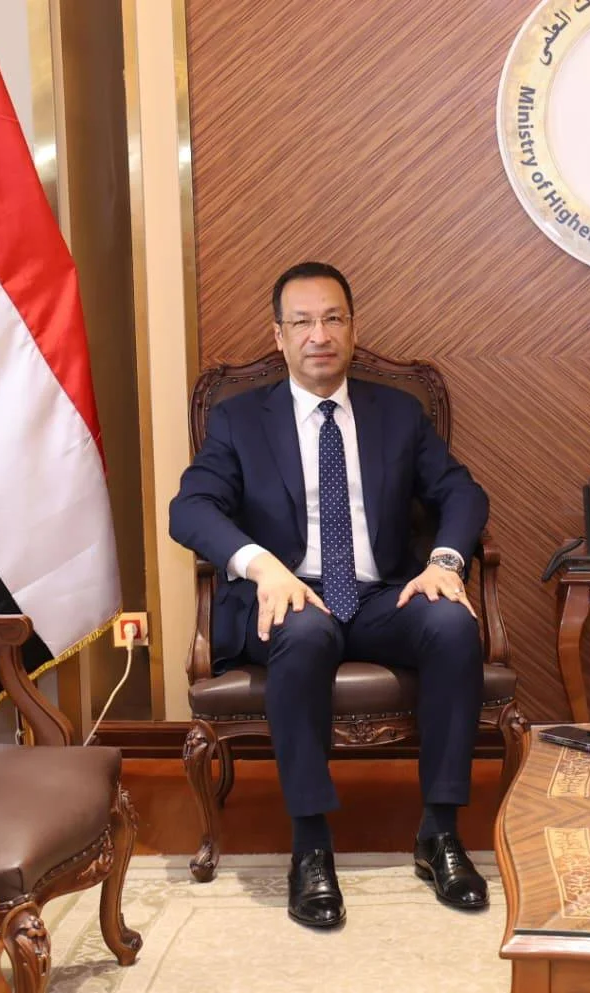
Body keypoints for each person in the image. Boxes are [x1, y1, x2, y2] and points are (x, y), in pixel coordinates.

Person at [169, 261, 490, 928]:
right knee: (306, 631)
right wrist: (262, 567)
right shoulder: (238, 420)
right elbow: (190, 508)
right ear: (279, 336)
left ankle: (439, 832)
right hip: (287, 596)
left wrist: (444, 561)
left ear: (352, 327)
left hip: (379, 594)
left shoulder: (396, 413)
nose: (319, 334)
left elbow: (461, 491)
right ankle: (311, 846)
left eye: (332, 318)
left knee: (454, 625)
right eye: (303, 322)